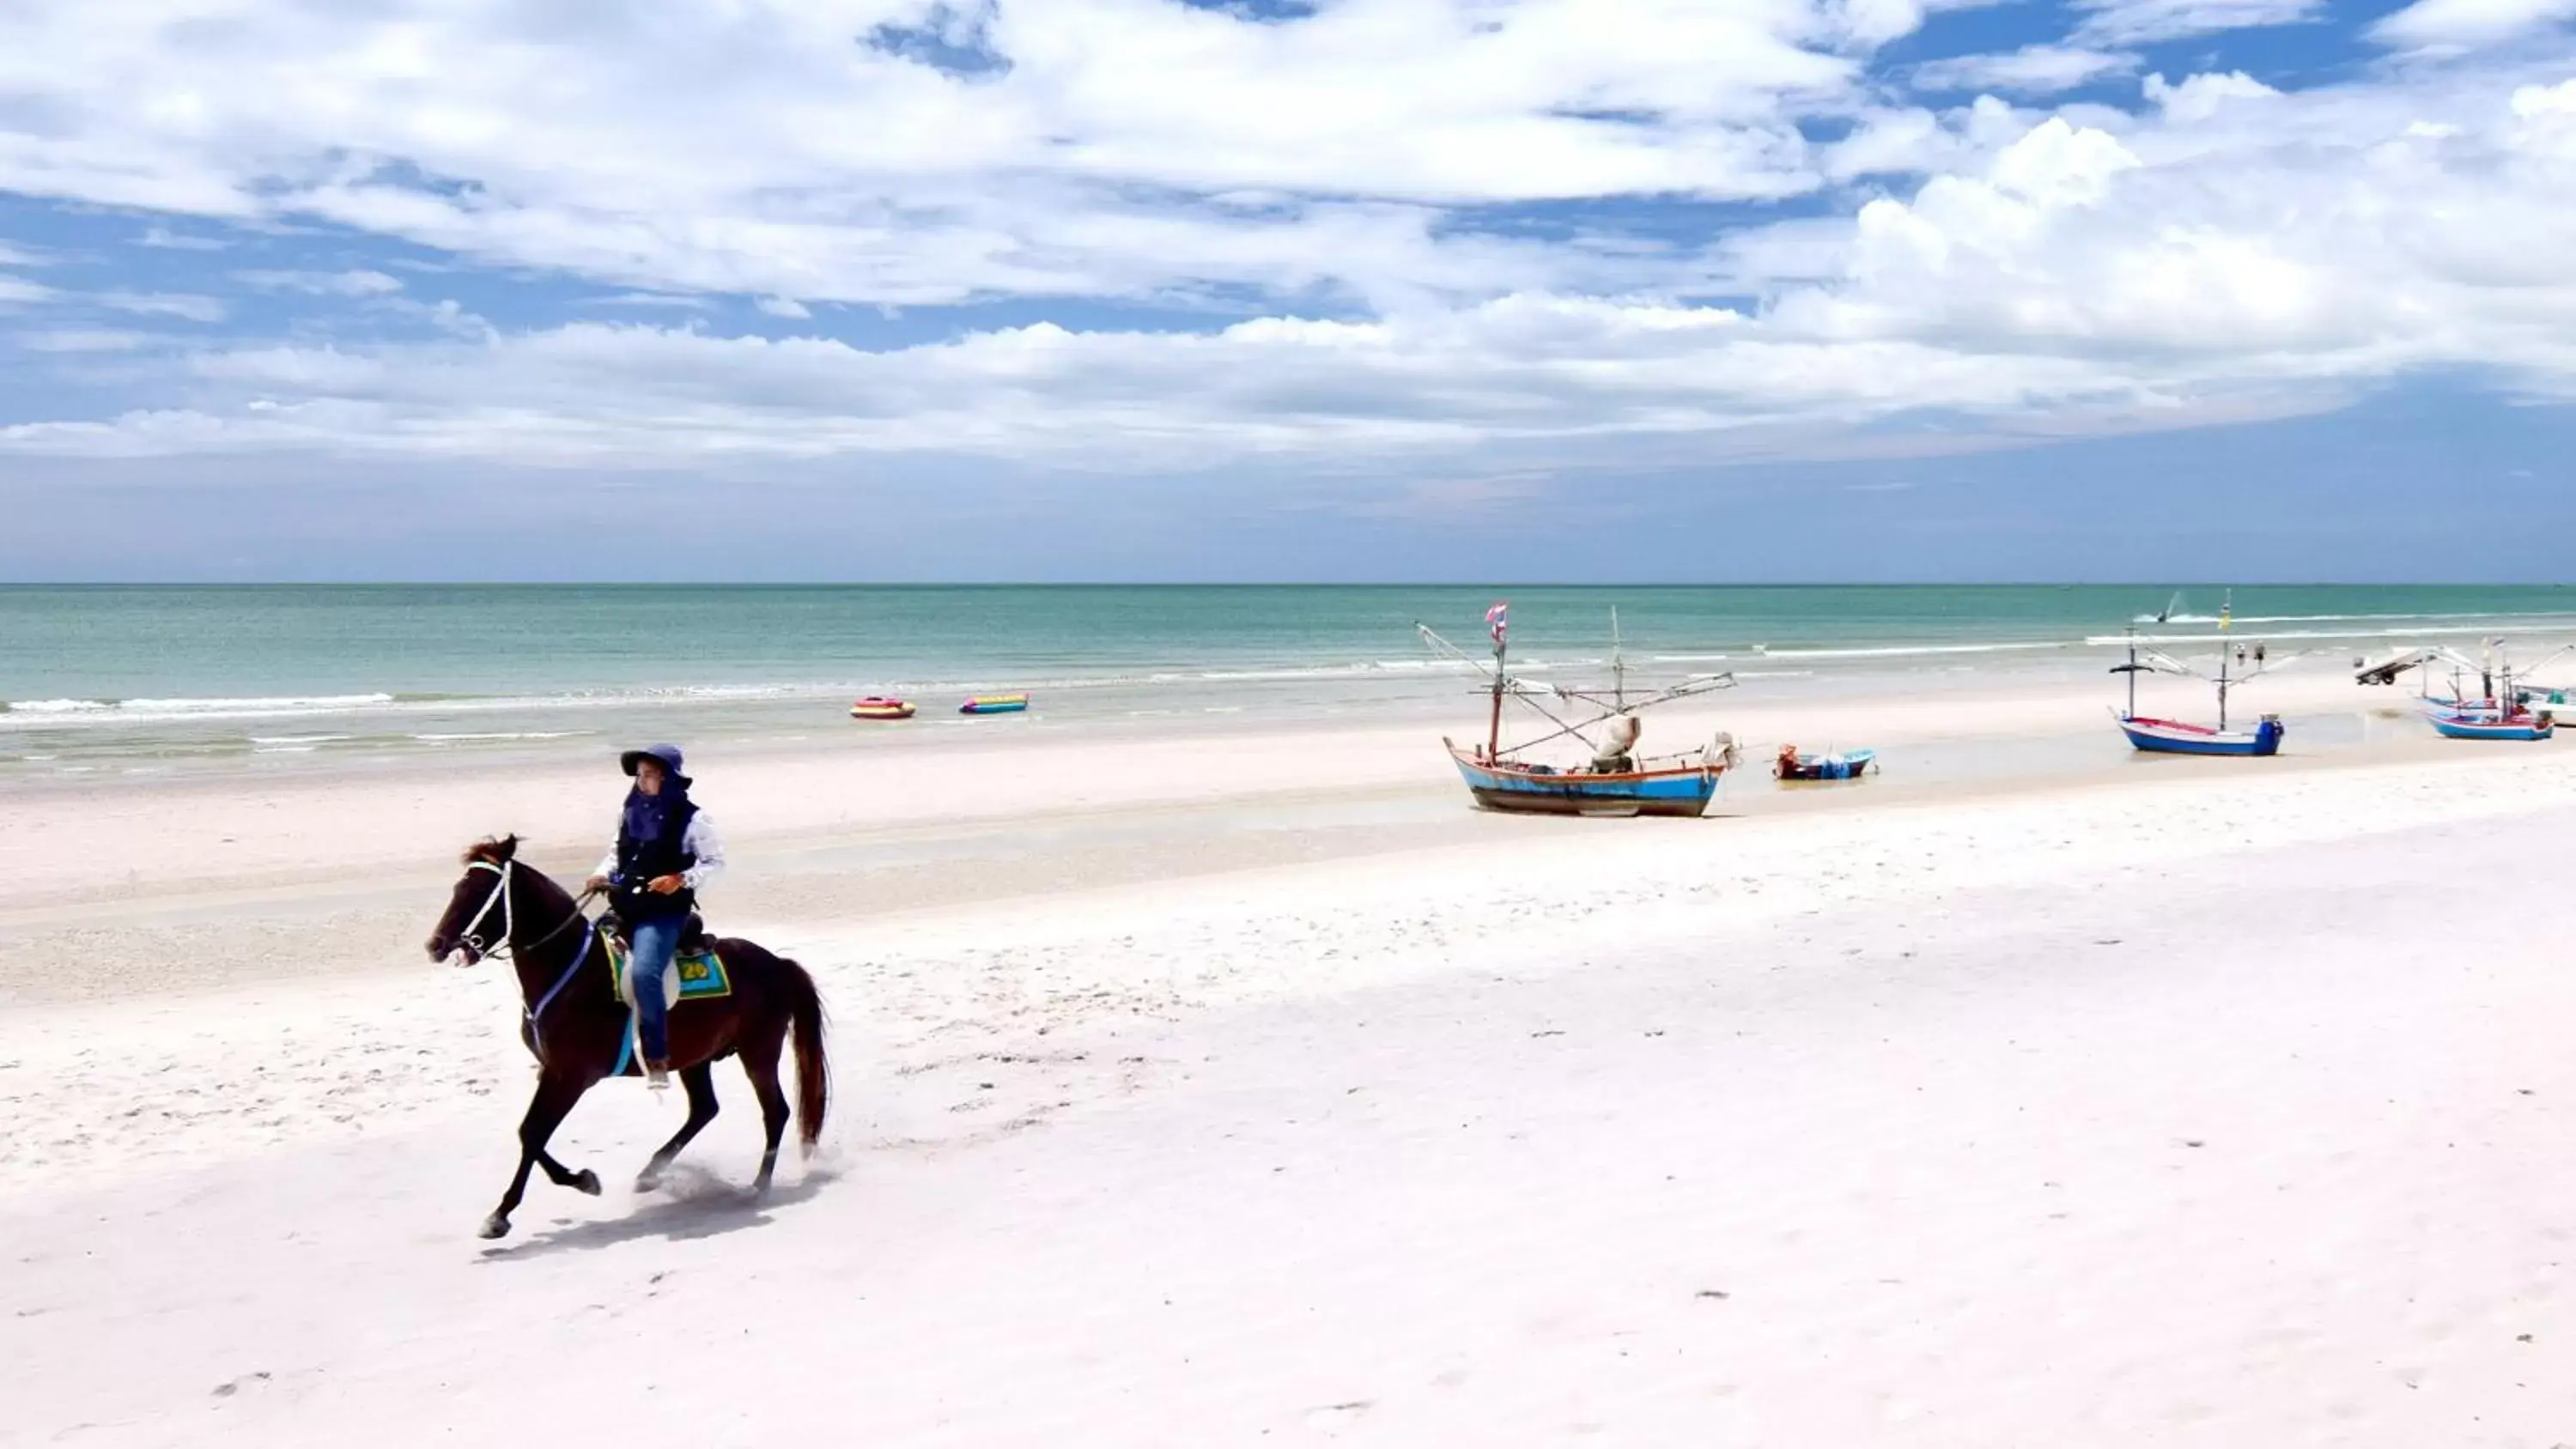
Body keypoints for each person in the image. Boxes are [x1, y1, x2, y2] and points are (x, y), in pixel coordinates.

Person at [584, 743, 725, 1090]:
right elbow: (616, 855)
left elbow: (715, 865)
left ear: (670, 779)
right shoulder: (628, 811)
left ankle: (657, 1057)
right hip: (626, 906)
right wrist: (601, 874)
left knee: (646, 973)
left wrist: (680, 880)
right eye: (640, 775)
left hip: (662, 914)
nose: (642, 781)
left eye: (650, 775)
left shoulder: (694, 819)